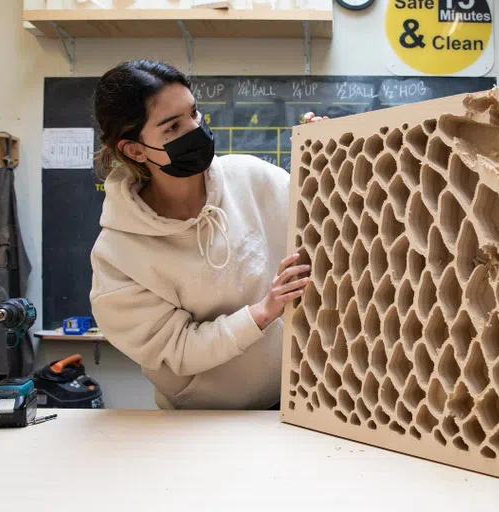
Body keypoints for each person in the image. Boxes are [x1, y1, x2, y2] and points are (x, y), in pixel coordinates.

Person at [89, 60, 326, 410]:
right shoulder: (118, 255)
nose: (194, 129)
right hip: (200, 421)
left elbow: (329, 223)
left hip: (294, 400)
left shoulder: (253, 178)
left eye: (194, 113)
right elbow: (178, 349)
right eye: (172, 126)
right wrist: (262, 312)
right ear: (134, 149)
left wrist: (330, 160)